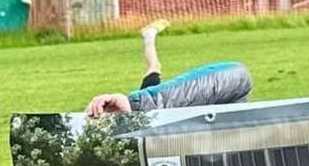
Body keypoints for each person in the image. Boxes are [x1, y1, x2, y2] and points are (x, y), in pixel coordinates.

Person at [85, 20, 253, 116]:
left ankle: (149, 35)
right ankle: (149, 35)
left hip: (149, 102)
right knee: (154, 66)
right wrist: (136, 105)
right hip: (148, 104)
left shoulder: (149, 97)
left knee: (154, 67)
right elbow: (237, 74)